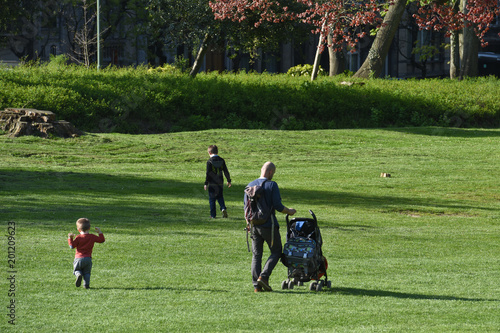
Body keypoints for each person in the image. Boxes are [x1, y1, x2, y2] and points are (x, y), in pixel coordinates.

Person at [244, 161, 296, 292]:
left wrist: (248, 224)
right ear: (270, 172)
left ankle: (256, 286)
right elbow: (278, 206)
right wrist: (289, 211)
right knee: (276, 251)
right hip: (269, 226)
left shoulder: (249, 186)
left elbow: (246, 208)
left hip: (254, 225)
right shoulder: (272, 185)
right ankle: (264, 277)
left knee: (257, 255)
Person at [68, 218, 105, 289]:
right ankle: (86, 285)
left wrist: (70, 238)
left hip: (78, 258)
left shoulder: (78, 237)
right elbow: (102, 240)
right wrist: (99, 232)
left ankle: (78, 275)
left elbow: (72, 246)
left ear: (78, 229)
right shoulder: (92, 237)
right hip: (88, 258)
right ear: (89, 228)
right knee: (87, 273)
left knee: (77, 270)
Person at [204, 145, 232, 218]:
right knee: (220, 196)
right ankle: (223, 208)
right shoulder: (222, 160)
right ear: (217, 152)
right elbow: (226, 171)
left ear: (209, 153)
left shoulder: (209, 161)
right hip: (220, 182)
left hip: (212, 182)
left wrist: (206, 183)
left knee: (212, 199)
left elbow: (208, 173)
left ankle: (213, 215)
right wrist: (229, 180)